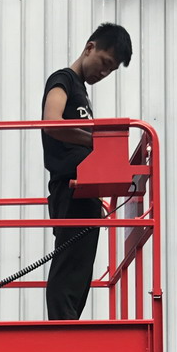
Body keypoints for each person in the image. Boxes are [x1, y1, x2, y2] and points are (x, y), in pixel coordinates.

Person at [42, 22, 133, 320]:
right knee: (69, 262)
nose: (104, 73)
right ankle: (62, 326)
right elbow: (52, 121)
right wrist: (95, 139)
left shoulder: (81, 92)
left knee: (81, 267)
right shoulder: (63, 79)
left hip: (86, 189)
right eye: (104, 63)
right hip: (70, 187)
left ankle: (69, 323)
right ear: (89, 48)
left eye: (111, 70)